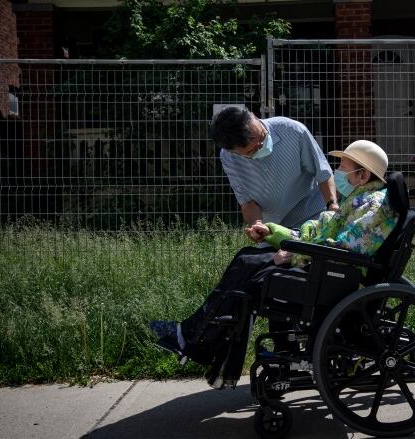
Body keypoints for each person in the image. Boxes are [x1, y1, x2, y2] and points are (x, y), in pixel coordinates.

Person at [149, 140, 398, 388]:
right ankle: (196, 335)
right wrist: (272, 232)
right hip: (323, 266)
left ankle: (197, 339)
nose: (338, 172)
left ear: (363, 174)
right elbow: (322, 235)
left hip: (331, 274)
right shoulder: (358, 198)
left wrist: (293, 256)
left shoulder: (372, 206)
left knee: (253, 278)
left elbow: (344, 251)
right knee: (247, 257)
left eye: (343, 167)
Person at [210, 106, 338, 228]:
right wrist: (256, 225)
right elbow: (248, 202)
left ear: (254, 116)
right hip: (273, 228)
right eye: (253, 150)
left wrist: (332, 206)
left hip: (313, 216)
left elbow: (323, 173)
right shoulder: (228, 158)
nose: (262, 145)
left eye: (262, 136)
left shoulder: (293, 130)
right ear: (234, 152)